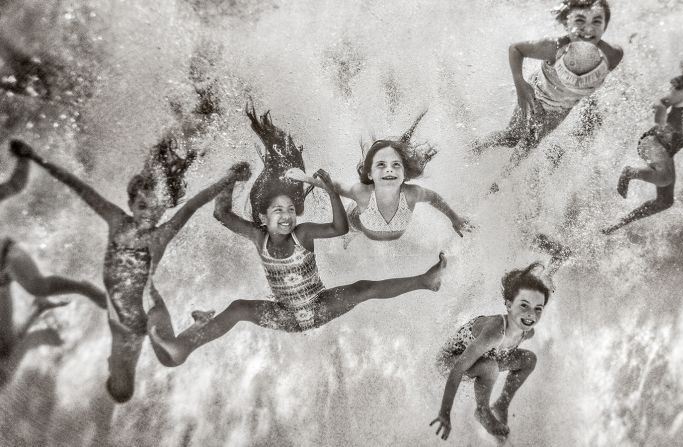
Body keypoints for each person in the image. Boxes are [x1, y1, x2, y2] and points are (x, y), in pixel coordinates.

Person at [11, 139, 251, 403]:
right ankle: (143, 355)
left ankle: (197, 325)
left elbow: (192, 205)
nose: (148, 214)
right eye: (142, 206)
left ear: (163, 208)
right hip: (123, 320)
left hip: (149, 311)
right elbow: (79, 187)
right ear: (131, 203)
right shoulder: (116, 220)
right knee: (123, 391)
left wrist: (229, 178)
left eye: (156, 208)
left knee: (172, 357)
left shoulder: (160, 236)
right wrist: (35, 157)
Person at [147, 169, 447, 365]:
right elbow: (221, 214)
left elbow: (339, 228)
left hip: (320, 305)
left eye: (290, 209)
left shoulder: (302, 234)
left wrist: (329, 189)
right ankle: (183, 347)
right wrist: (230, 179)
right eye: (278, 210)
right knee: (239, 308)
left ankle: (425, 281)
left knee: (363, 289)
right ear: (263, 217)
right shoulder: (257, 236)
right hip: (285, 315)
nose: (287, 215)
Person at [471, 0, 623, 187]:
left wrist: (589, 99)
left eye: (597, 22)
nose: (588, 29)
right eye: (580, 21)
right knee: (513, 137)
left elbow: (595, 80)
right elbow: (516, 49)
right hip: (536, 93)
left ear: (605, 26)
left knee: (530, 143)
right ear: (567, 23)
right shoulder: (555, 47)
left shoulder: (612, 55)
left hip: (562, 107)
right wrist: (520, 84)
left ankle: (498, 184)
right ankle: (475, 147)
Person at [286, 111, 473, 241]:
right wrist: (305, 178)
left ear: (404, 174)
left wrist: (455, 219)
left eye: (396, 166)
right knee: (348, 231)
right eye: (381, 166)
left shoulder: (411, 193)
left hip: (383, 227)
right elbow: (332, 185)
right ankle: (350, 234)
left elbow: (434, 198)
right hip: (356, 224)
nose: (389, 171)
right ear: (370, 174)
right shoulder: (362, 193)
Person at [602, 42, 683, 234]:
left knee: (665, 202)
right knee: (664, 177)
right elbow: (662, 103)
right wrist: (661, 122)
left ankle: (617, 224)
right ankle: (629, 172)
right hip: (654, 142)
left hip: (667, 149)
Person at [2, 140, 105, 362]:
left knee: (37, 286)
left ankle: (84, 289)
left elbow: (16, 184)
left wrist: (24, 157)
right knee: (7, 349)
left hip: (6, 255)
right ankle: (39, 310)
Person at [430, 262, 549, 440]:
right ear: (509, 305)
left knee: (529, 359)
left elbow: (543, 296)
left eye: (538, 308)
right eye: (524, 306)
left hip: (485, 360)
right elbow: (458, 369)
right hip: (449, 362)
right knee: (490, 367)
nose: (531, 314)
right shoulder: (494, 332)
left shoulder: (526, 331)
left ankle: (501, 404)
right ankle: (483, 411)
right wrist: (445, 412)